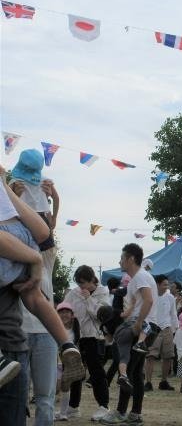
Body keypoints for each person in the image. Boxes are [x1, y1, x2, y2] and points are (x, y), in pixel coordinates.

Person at [0, 165, 83, 426]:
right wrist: (33, 257)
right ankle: (67, 344)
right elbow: (45, 234)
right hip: (16, 341)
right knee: (34, 295)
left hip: (12, 350)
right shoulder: (17, 212)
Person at [100, 243, 159, 425]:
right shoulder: (136, 279)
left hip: (142, 327)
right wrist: (125, 315)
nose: (119, 262)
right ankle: (135, 414)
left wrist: (139, 322)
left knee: (127, 372)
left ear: (131, 259)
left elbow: (148, 300)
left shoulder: (140, 276)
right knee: (135, 372)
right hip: (144, 326)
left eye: (122, 258)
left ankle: (120, 412)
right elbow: (136, 304)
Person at [63, 265, 111, 421]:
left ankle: (104, 406)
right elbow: (65, 309)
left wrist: (88, 298)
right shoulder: (74, 293)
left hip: (94, 338)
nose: (80, 286)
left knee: (96, 373)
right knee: (75, 372)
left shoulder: (103, 292)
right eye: (78, 283)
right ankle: (73, 407)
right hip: (77, 338)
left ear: (92, 280)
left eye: (83, 283)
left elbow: (100, 315)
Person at [143, 274, 178, 392]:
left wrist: (175, 329)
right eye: (164, 285)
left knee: (168, 356)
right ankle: (148, 382)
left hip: (167, 328)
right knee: (150, 356)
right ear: (157, 284)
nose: (167, 287)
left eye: (167, 285)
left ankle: (164, 381)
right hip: (153, 329)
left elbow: (173, 314)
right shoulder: (150, 296)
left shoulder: (170, 297)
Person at [54, 302, 81, 421]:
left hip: (69, 364)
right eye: (61, 312)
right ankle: (51, 412)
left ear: (72, 315)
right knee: (55, 388)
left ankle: (63, 413)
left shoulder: (76, 330)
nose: (64, 315)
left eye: (67, 312)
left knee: (66, 388)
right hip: (56, 362)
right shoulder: (54, 327)